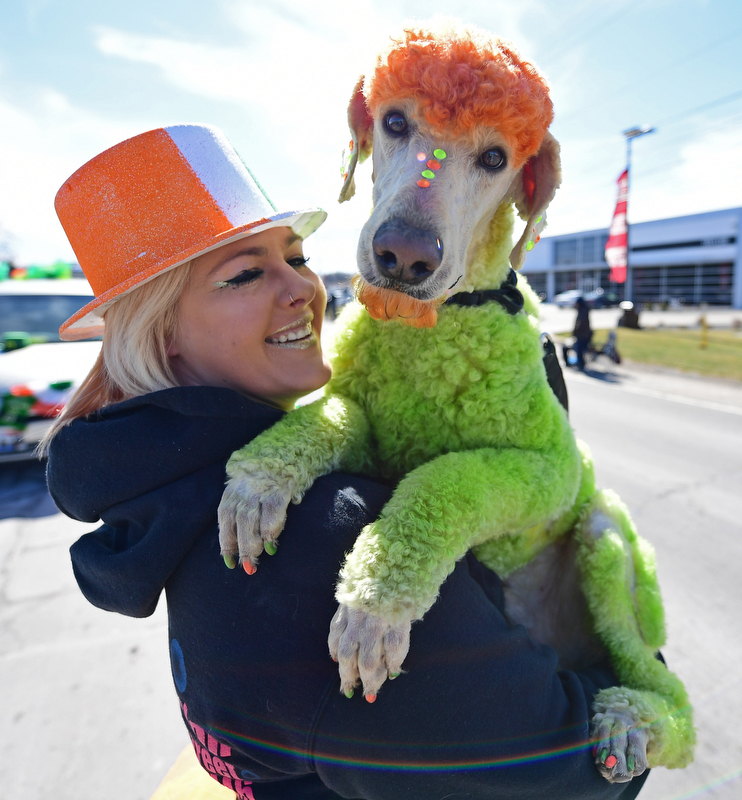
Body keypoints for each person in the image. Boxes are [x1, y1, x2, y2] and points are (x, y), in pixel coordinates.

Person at [44, 124, 648, 799]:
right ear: (162, 334)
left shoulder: (172, 494)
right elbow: (565, 774)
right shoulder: (327, 540)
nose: (304, 289)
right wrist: (630, 656)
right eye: (245, 273)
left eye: (296, 257)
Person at [572, 296, 593, 370]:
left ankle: (580, 364)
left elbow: (581, 324)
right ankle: (580, 363)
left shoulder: (583, 311)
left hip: (582, 335)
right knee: (578, 349)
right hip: (583, 334)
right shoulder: (582, 310)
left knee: (579, 349)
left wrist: (575, 331)